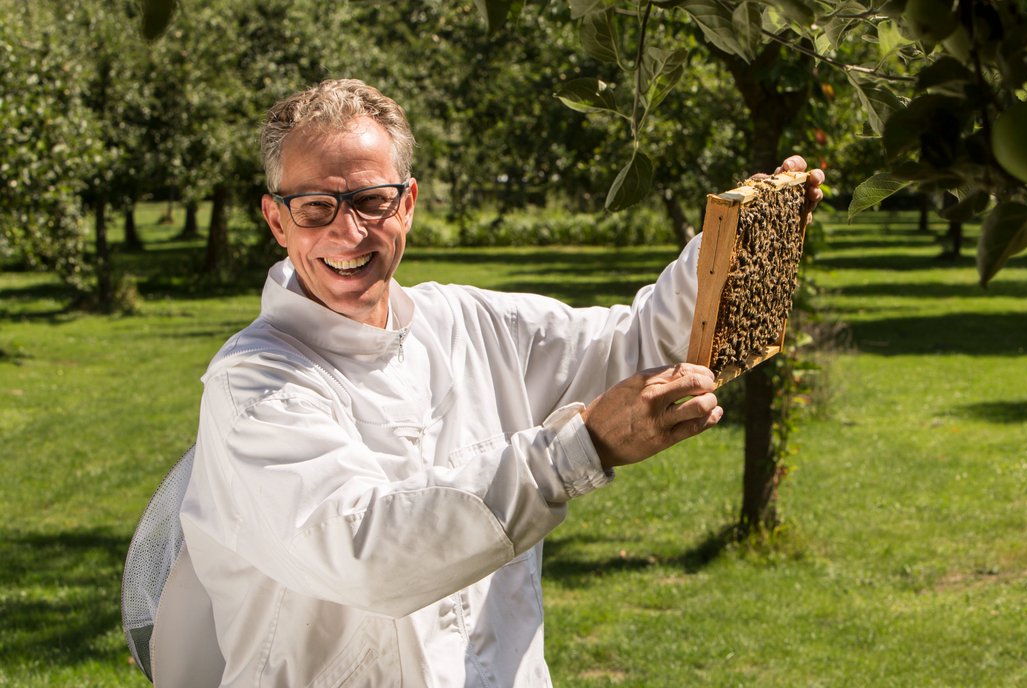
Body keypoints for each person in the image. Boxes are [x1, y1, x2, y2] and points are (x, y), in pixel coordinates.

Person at [179, 78, 825, 687]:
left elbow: (633, 345)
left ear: (406, 204)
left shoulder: (469, 322)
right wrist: (576, 452)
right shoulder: (253, 385)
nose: (347, 232)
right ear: (276, 220)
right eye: (315, 206)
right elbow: (365, 553)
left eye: (371, 201)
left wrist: (733, 246)